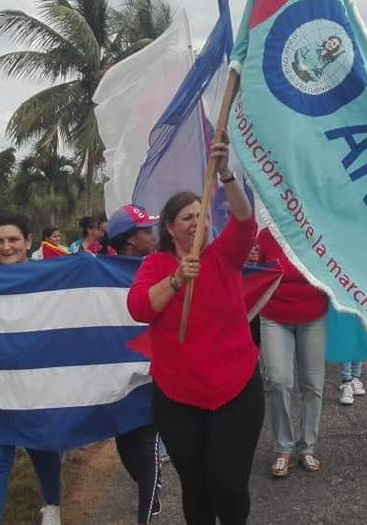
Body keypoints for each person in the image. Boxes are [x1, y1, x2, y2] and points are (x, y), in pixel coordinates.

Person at [127, 138, 263, 525]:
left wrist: (227, 176)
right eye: (186, 216)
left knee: (228, 484)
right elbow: (139, 308)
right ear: (169, 227)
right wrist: (175, 281)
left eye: (201, 214)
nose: (195, 221)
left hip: (236, 389)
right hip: (178, 395)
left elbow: (245, 222)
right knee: (197, 486)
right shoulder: (155, 266)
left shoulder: (225, 255)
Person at [0, 215, 61, 525]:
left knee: (44, 448)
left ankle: (52, 506)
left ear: (28, 242)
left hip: (38, 385)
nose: (6, 246)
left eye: (13, 239)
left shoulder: (48, 276)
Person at [103, 204, 163, 523]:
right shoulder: (100, 274)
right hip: (118, 378)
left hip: (154, 374)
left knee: (147, 443)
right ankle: (148, 489)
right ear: (130, 241)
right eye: (145, 231)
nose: (152, 236)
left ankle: (145, 515)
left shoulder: (161, 267)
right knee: (128, 451)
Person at [256, 227, 329, 478]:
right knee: (277, 381)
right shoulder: (266, 235)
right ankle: (283, 448)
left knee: (312, 385)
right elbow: (257, 273)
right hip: (274, 315)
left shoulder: (317, 230)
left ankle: (307, 447)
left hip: (313, 314)